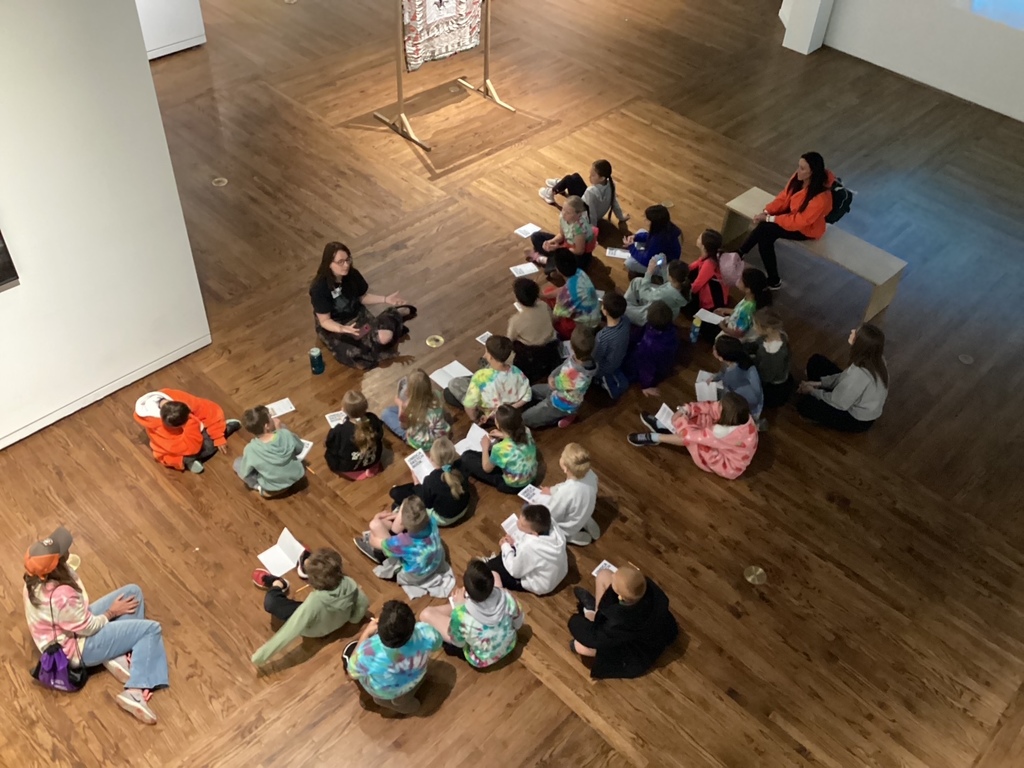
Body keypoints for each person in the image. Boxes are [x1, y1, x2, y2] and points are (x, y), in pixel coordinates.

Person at [23, 527, 169, 724]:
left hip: (73, 628)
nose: (67, 550)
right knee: (151, 630)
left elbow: (76, 618)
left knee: (132, 593)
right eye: (62, 552)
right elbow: (87, 627)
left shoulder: (32, 582)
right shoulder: (61, 596)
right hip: (77, 648)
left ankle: (115, 655)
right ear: (56, 565)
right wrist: (111, 612)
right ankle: (135, 691)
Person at [250, 548, 369, 666]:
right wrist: (354, 619)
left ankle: (278, 584)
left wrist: (259, 657)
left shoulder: (314, 602)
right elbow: (363, 602)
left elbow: (289, 631)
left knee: (271, 602)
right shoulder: (350, 583)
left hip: (316, 630)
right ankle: (307, 564)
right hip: (339, 621)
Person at [309, 241, 416, 369]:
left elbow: (362, 297)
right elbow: (325, 320)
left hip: (358, 315)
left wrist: (386, 299)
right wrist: (343, 329)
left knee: (383, 337)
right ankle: (394, 317)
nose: (346, 265)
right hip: (336, 325)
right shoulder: (319, 288)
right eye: (340, 262)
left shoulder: (352, 274)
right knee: (357, 355)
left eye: (348, 260)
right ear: (329, 264)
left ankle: (392, 317)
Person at [738, 152, 835, 289]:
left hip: (806, 229)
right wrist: (767, 211)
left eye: (802, 168)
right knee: (765, 233)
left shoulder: (821, 198)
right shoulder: (798, 178)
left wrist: (771, 218)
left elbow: (799, 222)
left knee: (766, 229)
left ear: (812, 172)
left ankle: (741, 254)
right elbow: (784, 197)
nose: (797, 171)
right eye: (798, 166)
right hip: (792, 215)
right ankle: (766, 274)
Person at [568, 565, 678, 679]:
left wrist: (574, 620)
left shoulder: (620, 622)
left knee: (579, 646)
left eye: (614, 583)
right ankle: (592, 612)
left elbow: (595, 639)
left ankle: (589, 612)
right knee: (604, 574)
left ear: (620, 596)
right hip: (655, 631)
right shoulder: (650, 590)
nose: (613, 575)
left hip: (634, 653)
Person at [419, 559, 524, 669]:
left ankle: (455, 605)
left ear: (467, 592)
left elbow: (458, 642)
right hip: (509, 644)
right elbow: (518, 623)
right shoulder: (508, 597)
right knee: (495, 573)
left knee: (425, 614)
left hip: (481, 659)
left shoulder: (461, 615)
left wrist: (459, 607)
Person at [629, 392, 759, 479]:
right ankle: (665, 428)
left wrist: (678, 419)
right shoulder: (742, 416)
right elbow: (710, 407)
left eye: (720, 405)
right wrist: (686, 410)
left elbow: (690, 435)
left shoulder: (721, 433)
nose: (717, 403)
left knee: (691, 440)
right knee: (700, 417)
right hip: (731, 448)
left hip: (728, 465)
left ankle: (656, 437)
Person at [345, 600, 442, 715]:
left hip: (386, 692)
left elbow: (351, 675)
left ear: (379, 630)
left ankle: (403, 705)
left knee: (380, 700)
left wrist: (366, 633)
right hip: (417, 675)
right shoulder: (425, 631)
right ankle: (408, 702)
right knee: (404, 698)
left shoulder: (369, 651)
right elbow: (437, 645)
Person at [796, 324, 889, 432]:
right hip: (850, 397)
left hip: (856, 419)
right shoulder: (877, 359)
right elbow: (844, 377)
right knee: (816, 361)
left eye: (856, 333)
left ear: (859, 344)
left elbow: (839, 402)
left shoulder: (859, 374)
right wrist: (819, 384)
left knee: (806, 405)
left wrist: (812, 391)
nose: (852, 331)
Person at [133, 389, 242, 473]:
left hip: (192, 435)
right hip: (179, 447)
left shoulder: (177, 396)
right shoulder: (158, 427)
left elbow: (207, 409)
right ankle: (188, 461)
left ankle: (223, 428)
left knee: (210, 434)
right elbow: (190, 448)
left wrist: (218, 435)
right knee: (203, 449)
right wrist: (191, 425)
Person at [443, 335, 531, 425]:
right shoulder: (516, 371)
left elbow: (470, 406)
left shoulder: (480, 377)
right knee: (482, 365)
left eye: (486, 352)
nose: (484, 355)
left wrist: (476, 419)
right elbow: (527, 396)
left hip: (489, 414)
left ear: (490, 356)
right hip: (503, 410)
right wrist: (510, 408)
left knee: (451, 388)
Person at [522, 325, 596, 430]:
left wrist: (552, 379)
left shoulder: (575, 376)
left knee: (525, 418)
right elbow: (565, 365)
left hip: (561, 404)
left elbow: (554, 385)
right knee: (532, 390)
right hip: (560, 393)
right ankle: (569, 412)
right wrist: (553, 376)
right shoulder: (584, 359)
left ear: (571, 346)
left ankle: (567, 414)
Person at [486, 505, 568, 595]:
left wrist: (505, 546)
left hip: (541, 584)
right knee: (507, 553)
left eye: (521, 525)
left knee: (492, 566)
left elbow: (515, 571)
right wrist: (515, 544)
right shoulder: (550, 524)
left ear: (533, 533)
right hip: (559, 572)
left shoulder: (530, 546)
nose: (517, 523)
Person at [389, 437, 471, 526]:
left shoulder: (431, 480)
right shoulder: (462, 465)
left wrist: (416, 483)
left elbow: (426, 503)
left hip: (446, 518)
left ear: (432, 459)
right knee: (402, 492)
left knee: (396, 493)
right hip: (464, 508)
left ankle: (398, 510)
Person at [355, 496, 446, 576]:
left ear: (403, 523)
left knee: (374, 525)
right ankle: (392, 530)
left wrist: (376, 518)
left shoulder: (404, 543)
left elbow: (373, 541)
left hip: (414, 574)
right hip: (431, 560)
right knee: (383, 523)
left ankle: (379, 556)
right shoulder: (432, 521)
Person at [460, 405, 538, 494]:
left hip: (514, 486)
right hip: (532, 477)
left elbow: (486, 468)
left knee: (467, 457)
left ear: (498, 425)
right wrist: (502, 434)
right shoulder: (526, 431)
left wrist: (485, 447)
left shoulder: (499, 449)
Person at [233, 405, 306, 497]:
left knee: (237, 463)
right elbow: (299, 449)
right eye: (271, 417)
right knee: (283, 426)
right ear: (267, 426)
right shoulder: (285, 433)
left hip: (273, 488)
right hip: (295, 477)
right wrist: (280, 430)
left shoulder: (250, 449)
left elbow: (245, 472)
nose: (274, 419)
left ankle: (258, 487)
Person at [540, 443, 600, 545]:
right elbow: (566, 485)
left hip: (569, 526)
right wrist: (552, 490)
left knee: (553, 528)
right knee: (580, 507)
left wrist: (540, 506)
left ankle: (570, 536)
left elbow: (554, 514)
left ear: (565, 468)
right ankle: (585, 520)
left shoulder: (566, 493)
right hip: (586, 508)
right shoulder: (590, 474)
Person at [538, 159, 629, 225]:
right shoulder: (611, 184)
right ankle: (561, 184)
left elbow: (592, 214)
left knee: (569, 179)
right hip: (596, 210)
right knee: (575, 176)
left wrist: (593, 231)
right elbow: (614, 203)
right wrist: (621, 217)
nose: (589, 177)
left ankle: (551, 192)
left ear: (602, 178)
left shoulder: (590, 192)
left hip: (585, 213)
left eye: (593, 175)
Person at [380, 369, 451, 451]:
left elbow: (403, 426)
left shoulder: (408, 408)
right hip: (440, 435)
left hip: (422, 443)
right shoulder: (437, 395)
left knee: (386, 413)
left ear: (409, 391)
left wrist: (401, 406)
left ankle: (411, 440)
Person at [507, 277, 561, 383]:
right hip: (551, 349)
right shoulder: (544, 305)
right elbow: (553, 320)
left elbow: (509, 340)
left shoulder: (515, 320)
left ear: (518, 298)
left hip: (531, 355)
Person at [623, 300, 679, 397]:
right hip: (662, 359)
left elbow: (646, 369)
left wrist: (646, 386)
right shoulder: (671, 329)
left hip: (654, 367)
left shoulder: (649, 347)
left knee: (625, 364)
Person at [527, 196, 597, 272]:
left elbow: (579, 251)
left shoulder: (579, 228)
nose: (563, 214)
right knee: (535, 236)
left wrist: (559, 248)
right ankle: (554, 260)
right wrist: (551, 241)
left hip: (578, 253)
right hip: (567, 244)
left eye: (568, 213)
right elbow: (561, 235)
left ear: (578, 214)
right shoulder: (563, 217)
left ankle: (546, 260)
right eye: (563, 209)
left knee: (573, 265)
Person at [325, 390, 384, 480]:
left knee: (329, 454)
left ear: (343, 410)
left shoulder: (341, 430)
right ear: (366, 407)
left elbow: (330, 445)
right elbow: (380, 435)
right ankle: (370, 468)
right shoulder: (373, 418)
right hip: (373, 460)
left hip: (350, 466)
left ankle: (357, 472)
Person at [745, 308, 793, 408]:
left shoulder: (774, 354)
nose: (753, 328)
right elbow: (757, 344)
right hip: (770, 372)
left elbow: (766, 376)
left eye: (755, 325)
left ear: (768, 329)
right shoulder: (776, 335)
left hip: (773, 387)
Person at [548, 250, 601, 340]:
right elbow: (566, 289)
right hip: (595, 317)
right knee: (549, 292)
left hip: (584, 328)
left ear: (558, 269)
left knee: (554, 322)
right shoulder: (580, 272)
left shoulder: (564, 295)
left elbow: (554, 319)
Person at [624, 259, 691, 327]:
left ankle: (629, 307)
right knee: (637, 281)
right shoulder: (683, 284)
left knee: (623, 309)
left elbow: (643, 294)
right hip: (659, 305)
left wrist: (649, 272)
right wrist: (663, 265)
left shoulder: (666, 293)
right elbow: (667, 282)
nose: (666, 272)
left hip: (651, 316)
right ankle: (632, 306)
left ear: (671, 277)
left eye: (667, 271)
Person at [711, 336, 764, 420]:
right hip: (740, 395)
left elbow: (751, 398)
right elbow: (724, 371)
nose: (713, 348)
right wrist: (716, 377)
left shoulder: (738, 374)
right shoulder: (735, 358)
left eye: (715, 349)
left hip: (744, 404)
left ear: (721, 358)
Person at [622, 204, 683, 278]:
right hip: (665, 257)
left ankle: (655, 275)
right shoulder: (666, 227)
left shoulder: (659, 240)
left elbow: (647, 261)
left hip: (664, 266)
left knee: (629, 263)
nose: (644, 219)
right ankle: (639, 253)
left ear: (653, 222)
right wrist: (635, 237)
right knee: (641, 231)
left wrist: (631, 247)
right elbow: (649, 236)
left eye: (647, 219)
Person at [592, 291, 631, 400]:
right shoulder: (626, 320)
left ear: (605, 312)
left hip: (606, 367)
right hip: (620, 356)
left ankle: (605, 382)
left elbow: (596, 357)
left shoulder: (602, 337)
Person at [715, 267, 770, 340]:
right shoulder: (750, 299)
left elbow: (738, 333)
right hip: (733, 324)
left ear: (748, 289)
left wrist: (722, 326)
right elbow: (739, 313)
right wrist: (725, 310)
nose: (738, 280)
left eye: (741, 280)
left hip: (734, 337)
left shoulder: (747, 309)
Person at [686, 229, 728, 312]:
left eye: (699, 238)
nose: (697, 238)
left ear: (704, 247)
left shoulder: (709, 264)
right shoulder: (715, 254)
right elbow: (694, 265)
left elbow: (695, 287)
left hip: (711, 304)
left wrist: (680, 288)